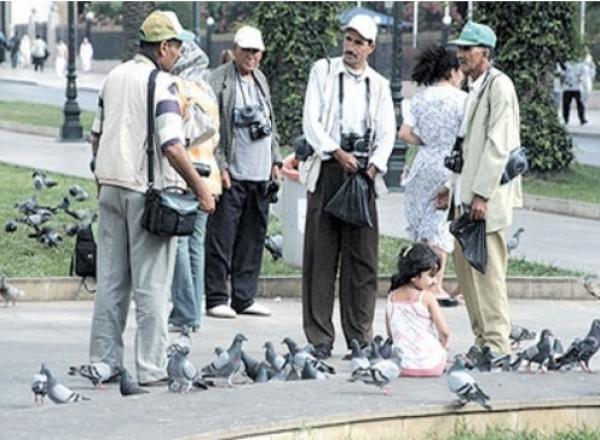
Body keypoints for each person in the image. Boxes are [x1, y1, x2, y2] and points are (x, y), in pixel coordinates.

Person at [88, 10, 215, 386]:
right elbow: (173, 147)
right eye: (177, 46)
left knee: (111, 280)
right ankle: (151, 367)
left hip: (109, 186)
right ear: (163, 47)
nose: (179, 54)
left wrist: (102, 176)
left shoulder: (112, 77)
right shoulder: (163, 84)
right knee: (152, 285)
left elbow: (96, 136)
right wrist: (201, 189)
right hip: (145, 192)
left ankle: (104, 361)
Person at [300, 15, 395, 359]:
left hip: (363, 173)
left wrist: (374, 167)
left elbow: (387, 131)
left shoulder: (379, 85)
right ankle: (319, 338)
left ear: (371, 47)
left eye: (359, 42)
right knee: (320, 257)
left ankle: (359, 336)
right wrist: (335, 151)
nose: (351, 47)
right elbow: (311, 122)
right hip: (329, 168)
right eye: (348, 39)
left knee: (362, 259)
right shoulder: (323, 72)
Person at [438, 21, 522, 362]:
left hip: (483, 200)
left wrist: (482, 195)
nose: (461, 54)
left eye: (467, 49)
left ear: (484, 53)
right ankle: (481, 341)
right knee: (467, 276)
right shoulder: (474, 87)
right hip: (465, 198)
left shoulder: (499, 87)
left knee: (487, 275)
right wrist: (450, 186)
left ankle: (498, 346)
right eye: (460, 48)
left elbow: (498, 146)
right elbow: (465, 147)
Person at [204, 25, 282, 319]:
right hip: (233, 174)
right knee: (222, 237)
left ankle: (244, 296)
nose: (251, 57)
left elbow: (269, 124)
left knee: (253, 237)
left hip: (260, 174)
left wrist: (275, 159)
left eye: (256, 51)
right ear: (235, 50)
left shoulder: (261, 79)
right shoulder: (218, 80)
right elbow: (211, 128)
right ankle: (216, 296)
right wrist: (221, 166)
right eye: (246, 50)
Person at [398, 45, 466, 308]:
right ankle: (436, 285)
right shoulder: (462, 100)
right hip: (448, 163)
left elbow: (404, 133)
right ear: (452, 71)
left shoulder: (420, 98)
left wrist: (426, 141)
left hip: (423, 162)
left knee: (423, 223)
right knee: (440, 224)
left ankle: (421, 280)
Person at [168, 41, 222, 332]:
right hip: (208, 177)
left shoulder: (178, 88)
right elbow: (215, 138)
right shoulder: (207, 91)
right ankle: (194, 313)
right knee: (195, 247)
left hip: (185, 176)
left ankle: (184, 313)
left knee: (178, 244)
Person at [386, 243, 450, 377]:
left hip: (401, 366)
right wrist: (443, 347)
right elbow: (444, 332)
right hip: (432, 366)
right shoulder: (426, 297)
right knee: (440, 351)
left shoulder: (391, 297)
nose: (435, 281)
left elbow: (391, 333)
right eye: (431, 275)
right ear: (414, 277)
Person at [560, 58, 587, 125]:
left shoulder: (581, 65)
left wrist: (581, 79)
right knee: (566, 104)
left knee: (580, 104)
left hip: (577, 87)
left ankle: (582, 119)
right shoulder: (566, 64)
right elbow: (562, 74)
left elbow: (584, 74)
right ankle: (566, 119)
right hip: (567, 88)